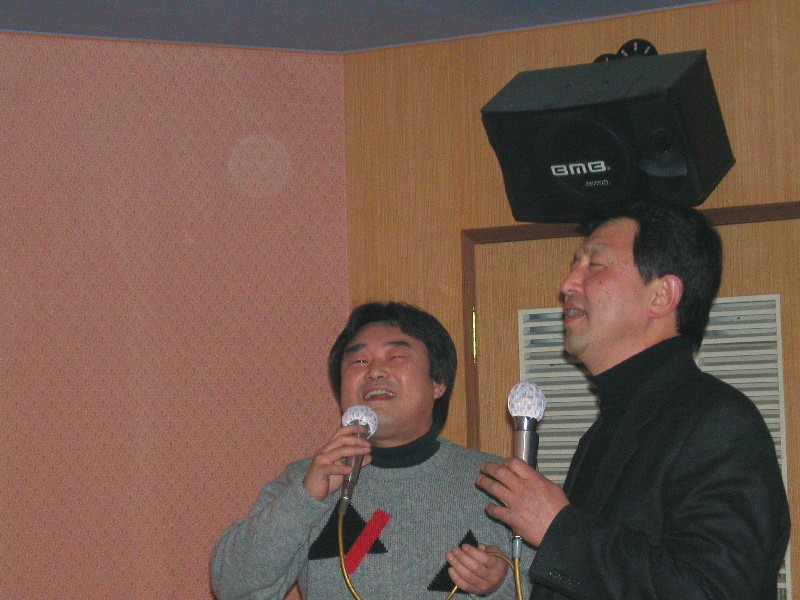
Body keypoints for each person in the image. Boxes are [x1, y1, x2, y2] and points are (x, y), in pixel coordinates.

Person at [476, 201, 791, 599]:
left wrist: (560, 529)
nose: (567, 284)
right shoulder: (605, 430)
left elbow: (718, 589)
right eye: (575, 265)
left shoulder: (719, 421)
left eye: (595, 265)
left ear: (661, 295)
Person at [211, 301, 532, 599]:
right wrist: (305, 499)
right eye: (359, 361)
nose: (375, 372)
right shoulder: (309, 479)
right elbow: (233, 588)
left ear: (438, 382)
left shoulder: (498, 482)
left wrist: (500, 584)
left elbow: (550, 586)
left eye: (396, 357)